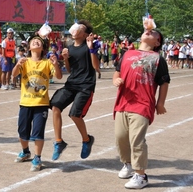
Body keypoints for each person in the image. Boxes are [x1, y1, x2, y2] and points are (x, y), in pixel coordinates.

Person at [112, 29, 170, 189]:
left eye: (153, 33)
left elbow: (164, 82)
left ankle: (141, 176)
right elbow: (117, 73)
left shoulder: (158, 59)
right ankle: (128, 164)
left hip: (143, 103)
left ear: (157, 42)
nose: (148, 32)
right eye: (147, 31)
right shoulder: (127, 54)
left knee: (137, 140)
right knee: (120, 137)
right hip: (123, 102)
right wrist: (116, 80)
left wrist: (160, 103)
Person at [50, 20, 99, 161]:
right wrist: (65, 59)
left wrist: (91, 49)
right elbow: (70, 69)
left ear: (85, 35)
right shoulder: (69, 48)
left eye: (80, 28)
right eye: (76, 27)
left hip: (86, 85)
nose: (76, 29)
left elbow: (96, 66)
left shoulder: (90, 46)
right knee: (55, 106)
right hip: (72, 83)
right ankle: (59, 142)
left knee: (75, 115)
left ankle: (86, 140)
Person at [12, 35, 62, 171]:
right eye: (33, 41)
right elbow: (14, 74)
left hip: (41, 104)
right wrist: (18, 64)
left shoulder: (47, 63)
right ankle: (25, 151)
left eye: (39, 41)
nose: (36, 42)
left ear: (42, 48)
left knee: (38, 132)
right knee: (22, 132)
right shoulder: (24, 61)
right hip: (25, 102)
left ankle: (37, 157)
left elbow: (58, 76)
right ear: (29, 47)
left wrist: (55, 64)